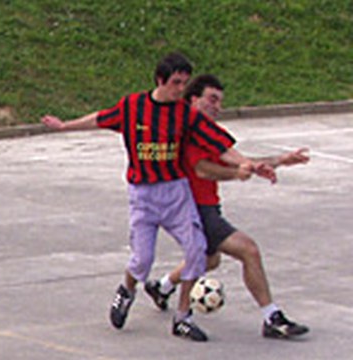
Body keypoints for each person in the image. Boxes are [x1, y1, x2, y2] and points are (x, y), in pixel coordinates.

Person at [41, 53, 271, 342]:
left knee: (197, 251)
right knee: (142, 260)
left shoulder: (186, 114)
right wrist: (65, 126)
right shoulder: (133, 106)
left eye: (185, 84)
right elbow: (100, 118)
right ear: (160, 80)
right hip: (143, 195)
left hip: (175, 193)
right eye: (176, 83)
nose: (180, 90)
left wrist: (245, 163)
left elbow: (220, 143)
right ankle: (127, 291)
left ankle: (182, 317)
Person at [144, 74, 310, 339]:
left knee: (209, 259)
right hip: (193, 208)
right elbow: (203, 169)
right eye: (212, 99)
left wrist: (279, 160)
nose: (217, 107)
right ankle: (272, 317)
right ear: (193, 99)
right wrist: (238, 174)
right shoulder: (186, 131)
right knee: (249, 250)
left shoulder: (211, 132)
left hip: (208, 206)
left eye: (220, 102)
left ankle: (161, 287)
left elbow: (238, 161)